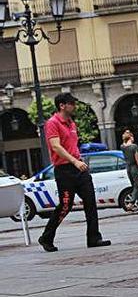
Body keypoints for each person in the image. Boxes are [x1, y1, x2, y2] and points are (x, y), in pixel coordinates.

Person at [37, 93, 111, 252]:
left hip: (79, 168)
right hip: (64, 171)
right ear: (62, 105)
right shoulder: (53, 123)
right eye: (71, 103)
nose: (74, 106)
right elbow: (56, 146)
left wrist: (79, 159)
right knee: (65, 205)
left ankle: (94, 238)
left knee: (90, 201)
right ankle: (46, 237)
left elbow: (72, 145)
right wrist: (75, 161)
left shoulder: (71, 123)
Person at [121, 131, 138, 211]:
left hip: (128, 168)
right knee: (137, 186)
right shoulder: (134, 146)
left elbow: (124, 143)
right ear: (130, 137)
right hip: (135, 168)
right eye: (132, 136)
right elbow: (137, 159)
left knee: (135, 186)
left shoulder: (122, 146)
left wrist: (126, 135)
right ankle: (131, 202)